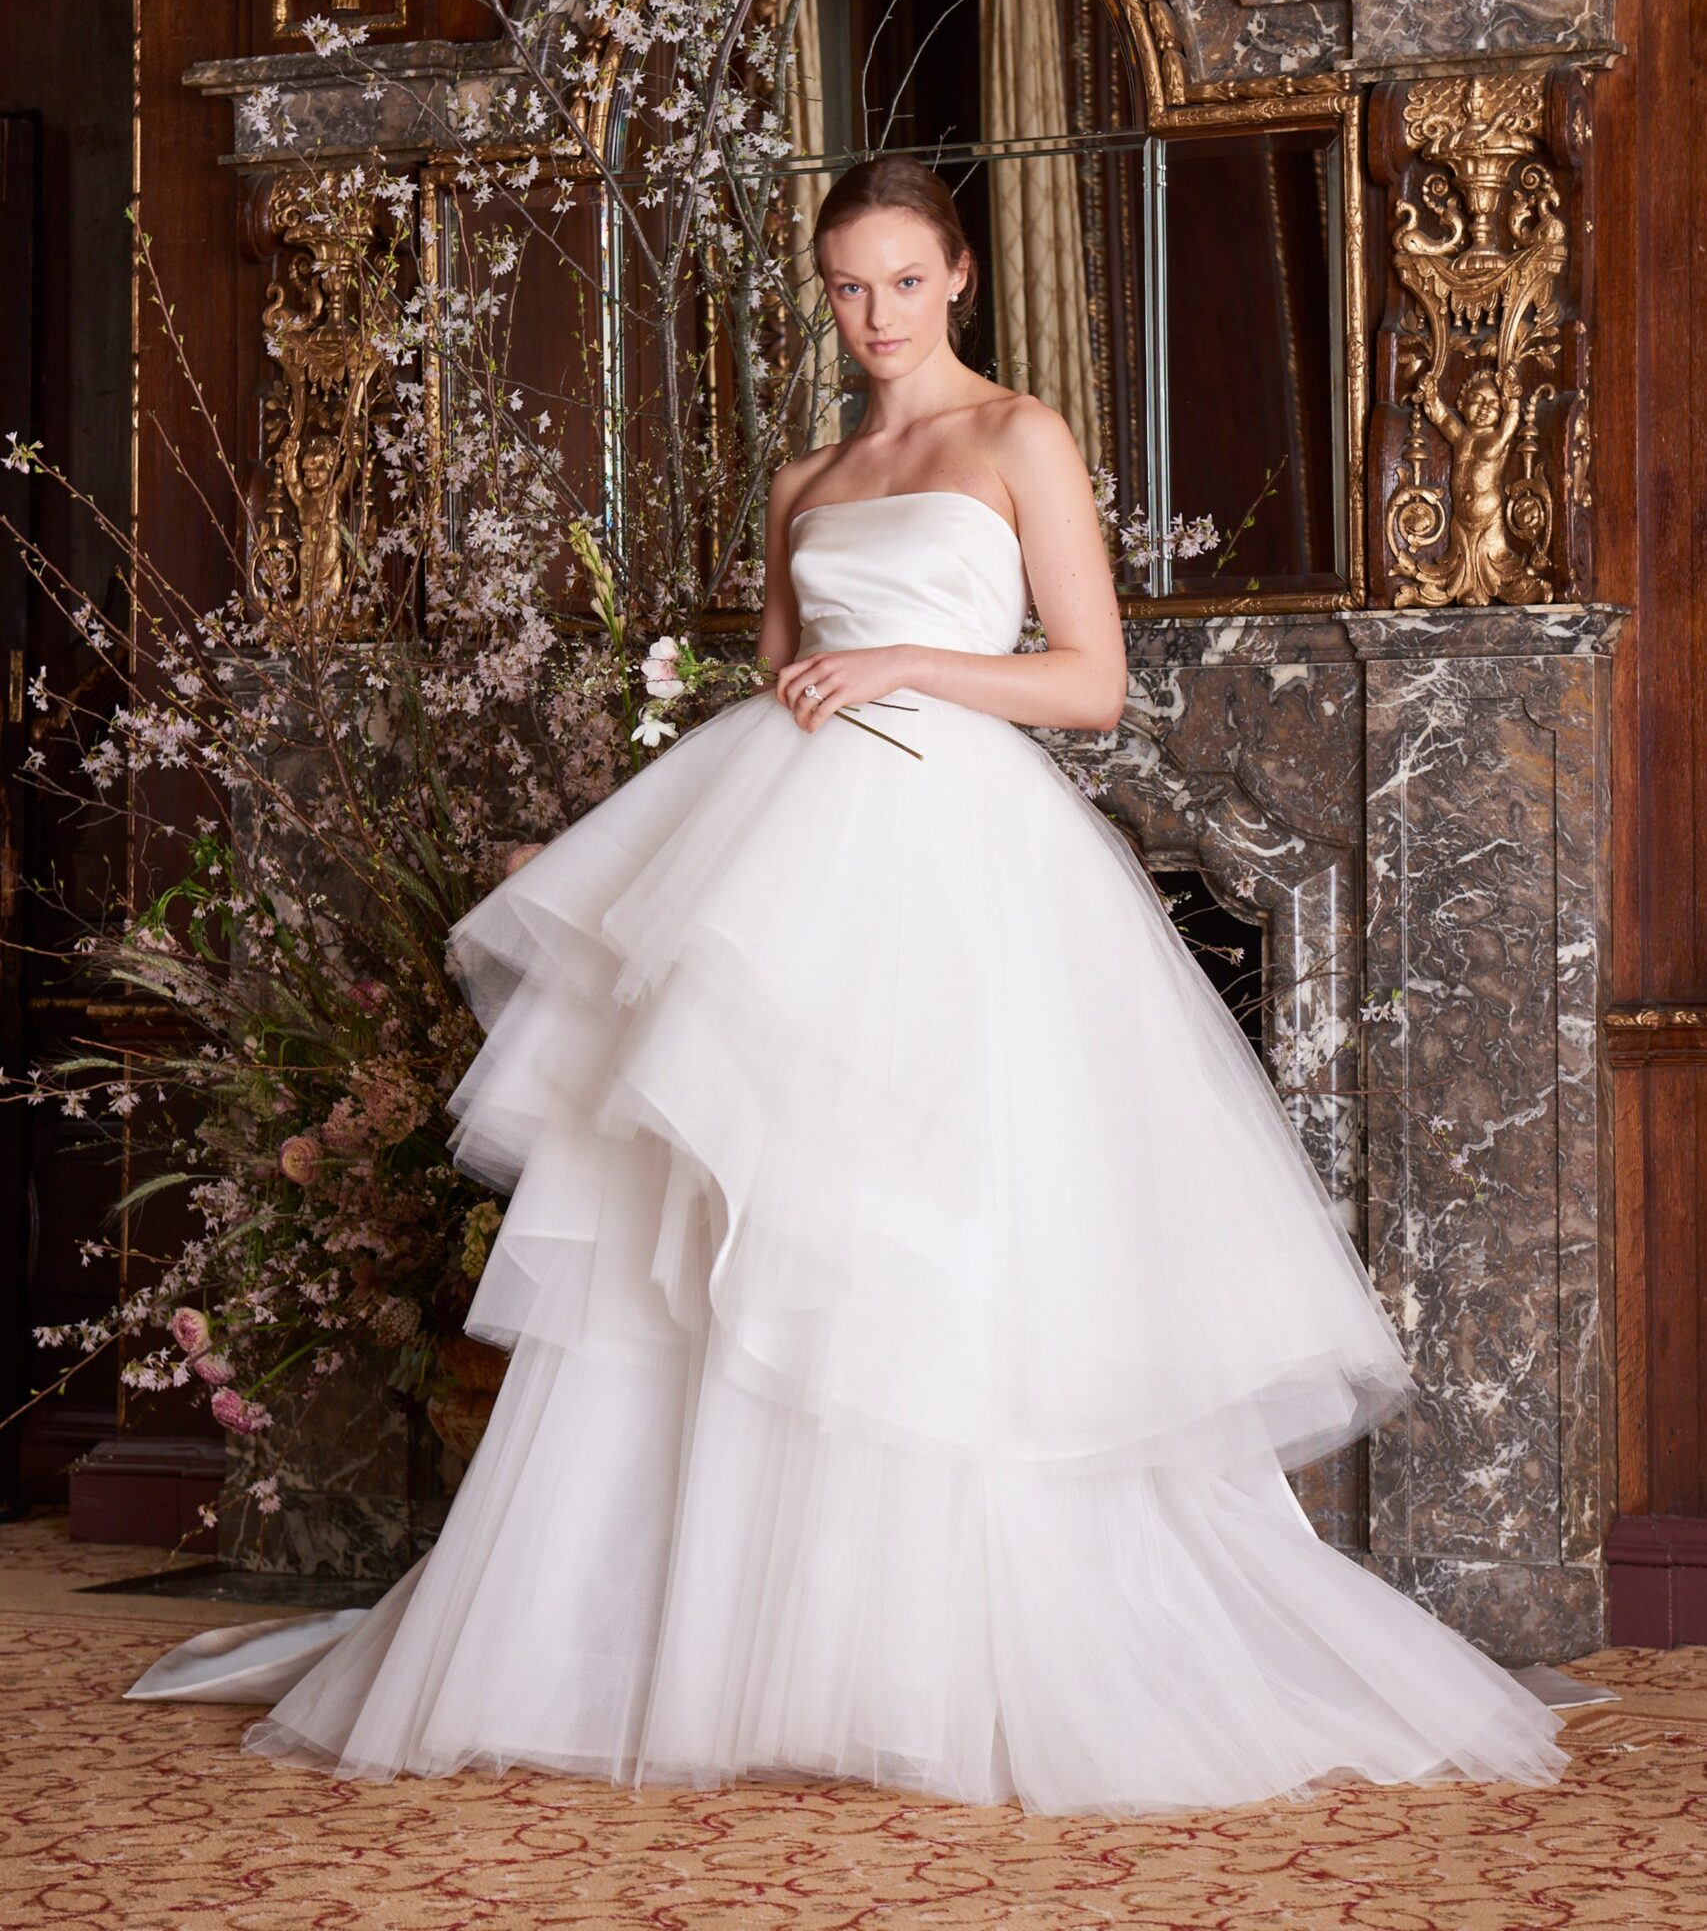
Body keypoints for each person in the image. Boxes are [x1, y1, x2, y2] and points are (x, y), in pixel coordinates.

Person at [124, 153, 1576, 1815]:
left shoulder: (1017, 436)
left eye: (902, 279)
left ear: (958, 276)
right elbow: (776, 678)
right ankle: (724, 1637)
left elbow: (1090, 684)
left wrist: (903, 662)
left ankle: (939, 1649)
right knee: (740, 1214)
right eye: (845, 286)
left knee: (937, 1224)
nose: (874, 314)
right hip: (796, 851)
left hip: (961, 861)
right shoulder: (808, 471)